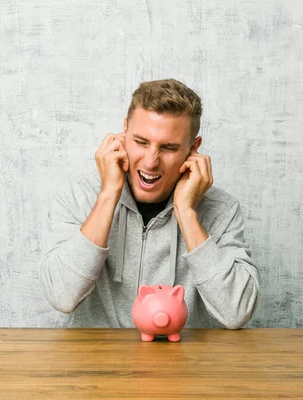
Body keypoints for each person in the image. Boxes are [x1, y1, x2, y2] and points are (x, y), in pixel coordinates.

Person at [39, 78, 259, 329]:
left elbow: (237, 312)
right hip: (95, 363)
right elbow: (61, 296)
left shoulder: (222, 210)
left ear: (193, 149)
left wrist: (187, 213)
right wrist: (109, 194)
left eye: (168, 147)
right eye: (141, 142)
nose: (151, 161)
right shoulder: (80, 196)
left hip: (184, 364)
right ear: (124, 133)